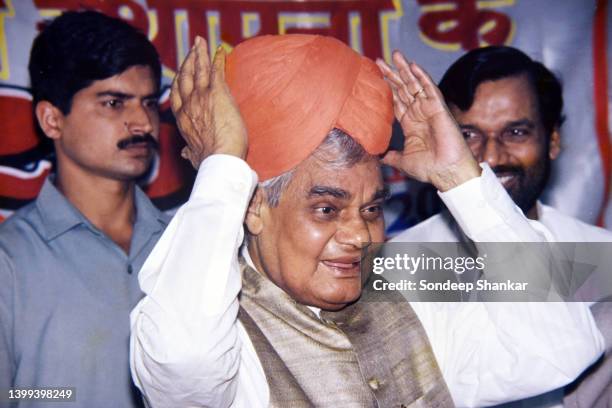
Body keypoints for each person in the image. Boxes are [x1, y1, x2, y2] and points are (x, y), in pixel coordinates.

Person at [130, 35, 603, 407]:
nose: (359, 235)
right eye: (326, 209)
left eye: (372, 208)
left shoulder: (414, 300)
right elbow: (183, 363)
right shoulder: (223, 339)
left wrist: (464, 181)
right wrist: (224, 169)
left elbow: (559, 351)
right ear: (253, 206)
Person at [392, 46, 612, 407]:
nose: (491, 157)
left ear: (552, 140)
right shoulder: (401, 265)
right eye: (467, 136)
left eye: (516, 132)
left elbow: (558, 356)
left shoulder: (605, 259)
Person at [0, 11, 169, 408]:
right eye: (114, 102)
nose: (142, 122)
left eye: (148, 102)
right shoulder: (10, 262)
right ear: (52, 119)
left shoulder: (185, 247)